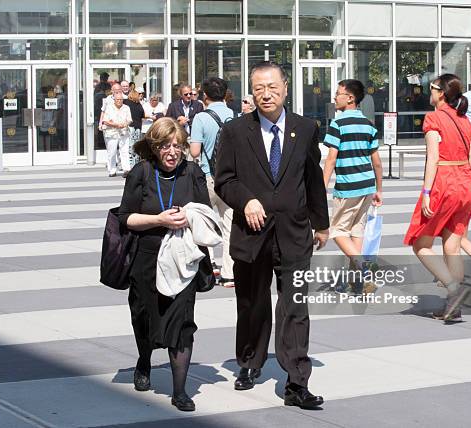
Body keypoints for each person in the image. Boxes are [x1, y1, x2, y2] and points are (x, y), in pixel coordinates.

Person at [214, 61, 329, 408]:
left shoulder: (306, 128)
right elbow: (224, 180)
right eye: (259, 88)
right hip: (252, 234)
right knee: (253, 303)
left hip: (293, 234)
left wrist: (321, 223)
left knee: (295, 306)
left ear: (286, 88)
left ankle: (297, 381)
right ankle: (249, 361)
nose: (266, 94)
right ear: (252, 91)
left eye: (273, 87)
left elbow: (312, 178)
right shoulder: (235, 131)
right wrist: (245, 200)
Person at [118, 117, 211, 412]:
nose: (172, 152)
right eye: (165, 146)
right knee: (144, 318)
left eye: (177, 146)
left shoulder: (192, 173)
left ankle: (180, 390)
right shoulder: (141, 173)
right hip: (147, 259)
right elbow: (126, 218)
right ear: (154, 148)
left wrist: (191, 218)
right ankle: (144, 361)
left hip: (183, 260)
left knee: (182, 324)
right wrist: (159, 220)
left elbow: (206, 214)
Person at [404, 74, 471, 323]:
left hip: (445, 183)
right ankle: (454, 306)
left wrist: (426, 193)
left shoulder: (433, 118)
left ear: (441, 93)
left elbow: (432, 158)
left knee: (420, 245)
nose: (428, 91)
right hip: (465, 185)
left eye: (431, 88)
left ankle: (454, 289)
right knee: (452, 246)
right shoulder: (465, 121)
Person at [322, 80, 383, 294]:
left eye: (338, 94)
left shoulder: (338, 124)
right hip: (367, 186)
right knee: (357, 232)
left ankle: (364, 270)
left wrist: (322, 186)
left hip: (347, 186)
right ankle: (356, 282)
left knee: (337, 231)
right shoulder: (368, 124)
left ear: (350, 98)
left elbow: (331, 159)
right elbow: (376, 161)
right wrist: (379, 189)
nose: (334, 98)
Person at [189, 77, 235, 288]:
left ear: (205, 96)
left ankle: (210, 266)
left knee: (202, 223)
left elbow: (195, 151)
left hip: (207, 177)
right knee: (230, 226)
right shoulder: (234, 115)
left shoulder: (200, 117)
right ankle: (229, 273)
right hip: (230, 178)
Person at [102, 93, 132, 177]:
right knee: (112, 152)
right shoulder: (109, 108)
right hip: (112, 133)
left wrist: (124, 124)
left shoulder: (126, 108)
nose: (119, 101)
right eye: (117, 99)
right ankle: (112, 170)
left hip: (123, 132)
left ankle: (126, 169)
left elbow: (129, 120)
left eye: (121, 99)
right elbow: (105, 121)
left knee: (125, 151)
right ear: (114, 100)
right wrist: (115, 125)